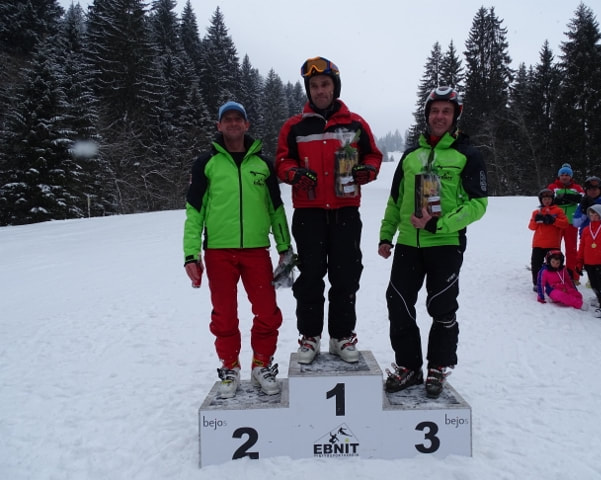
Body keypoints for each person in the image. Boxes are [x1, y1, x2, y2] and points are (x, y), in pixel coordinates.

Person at [378, 86, 488, 399]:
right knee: (398, 302)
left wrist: (440, 224)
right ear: (427, 115)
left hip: (445, 244)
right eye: (435, 111)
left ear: (455, 116)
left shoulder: (467, 155)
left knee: (441, 306)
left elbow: (478, 204)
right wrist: (386, 235)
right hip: (408, 244)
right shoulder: (411, 156)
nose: (440, 116)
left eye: (446, 111)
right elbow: (395, 199)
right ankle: (409, 366)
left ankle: (438, 365)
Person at [275, 56, 383, 365]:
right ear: (308, 90)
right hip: (308, 213)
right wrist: (293, 172)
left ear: (335, 86)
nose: (320, 90)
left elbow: (373, 155)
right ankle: (310, 336)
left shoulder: (355, 123)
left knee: (345, 275)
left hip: (345, 212)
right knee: (310, 277)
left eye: (325, 84)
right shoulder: (294, 126)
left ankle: (341, 336)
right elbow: (282, 160)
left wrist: (368, 170)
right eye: (314, 86)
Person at [184, 101, 292, 398]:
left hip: (256, 251)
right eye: (227, 119)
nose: (233, 123)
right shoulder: (206, 163)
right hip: (218, 252)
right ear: (219, 125)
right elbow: (194, 211)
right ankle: (229, 366)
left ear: (246, 124)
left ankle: (261, 363)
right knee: (225, 315)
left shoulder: (263, 164)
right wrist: (191, 254)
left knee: (267, 311)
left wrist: (285, 247)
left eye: (238, 119)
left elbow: (276, 209)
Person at [547, 163, 584, 283]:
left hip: (571, 222)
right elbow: (549, 200)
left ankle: (573, 275)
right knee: (554, 249)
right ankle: (553, 273)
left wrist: (564, 198)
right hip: (556, 222)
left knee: (571, 250)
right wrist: (570, 199)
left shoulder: (576, 187)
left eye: (567, 175)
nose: (564, 177)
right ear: (559, 176)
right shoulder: (553, 187)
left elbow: (582, 199)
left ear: (571, 176)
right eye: (562, 174)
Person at [528, 189, 569, 291]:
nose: (547, 201)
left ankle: (555, 282)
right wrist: (536, 220)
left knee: (554, 265)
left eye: (549, 199)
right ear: (541, 200)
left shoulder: (558, 211)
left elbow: (565, 224)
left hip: (553, 244)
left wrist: (553, 220)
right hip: (538, 243)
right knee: (536, 264)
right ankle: (537, 283)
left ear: (552, 199)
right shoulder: (536, 212)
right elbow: (531, 227)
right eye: (544, 199)